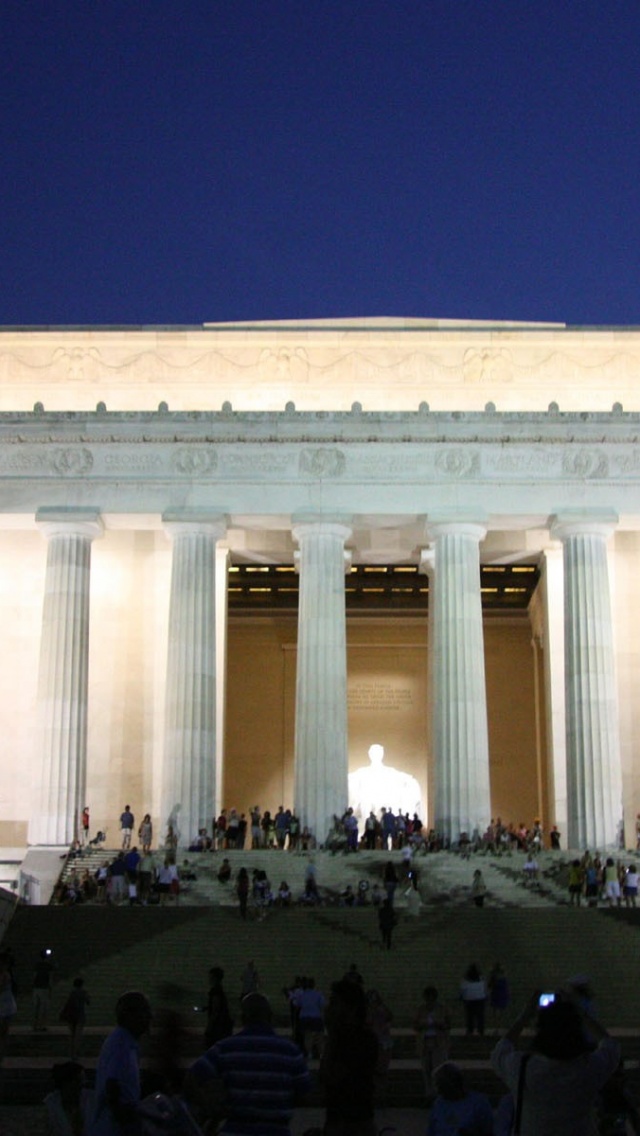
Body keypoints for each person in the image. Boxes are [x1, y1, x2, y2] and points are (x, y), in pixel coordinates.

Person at [491, 990, 620, 1136]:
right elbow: (610, 1046)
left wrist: (525, 1016)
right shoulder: (589, 1067)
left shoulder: (522, 1067)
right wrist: (582, 1014)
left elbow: (501, 1051)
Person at [185, 992, 309, 1136]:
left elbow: (191, 1079)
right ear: (270, 1016)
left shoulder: (225, 1048)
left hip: (235, 1128)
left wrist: (212, 1109)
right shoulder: (290, 1051)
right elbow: (303, 1093)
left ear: (243, 1018)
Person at [321, 978, 379, 1136]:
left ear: (350, 1008)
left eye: (334, 1002)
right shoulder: (348, 1038)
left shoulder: (360, 1041)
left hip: (351, 1126)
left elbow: (332, 1077)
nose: (328, 1008)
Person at [89, 990, 152, 1136]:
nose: (150, 1017)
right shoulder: (122, 1045)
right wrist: (126, 1122)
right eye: (145, 1011)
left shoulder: (123, 1042)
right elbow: (112, 1086)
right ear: (129, 1016)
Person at [427, 1061, 494, 1136]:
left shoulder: (479, 1103)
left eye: (442, 1086)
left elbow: (489, 1131)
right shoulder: (438, 1104)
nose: (438, 1091)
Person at [413, 985, 450, 1100]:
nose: (429, 1001)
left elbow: (448, 1025)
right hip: (424, 1042)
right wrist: (423, 1024)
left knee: (437, 1069)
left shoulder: (442, 1009)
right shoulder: (420, 1009)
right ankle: (429, 1094)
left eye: (431, 998)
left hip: (438, 1041)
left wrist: (437, 1023)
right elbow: (415, 1025)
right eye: (427, 998)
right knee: (426, 1069)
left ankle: (438, 1094)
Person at [44, 1060, 94, 1136]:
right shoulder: (51, 1106)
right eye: (78, 1081)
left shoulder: (90, 1100)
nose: (82, 1085)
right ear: (66, 1083)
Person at [59, 976, 90, 1059]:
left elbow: (67, 1003)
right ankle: (76, 1053)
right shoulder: (84, 992)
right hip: (80, 1015)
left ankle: (71, 1053)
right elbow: (88, 1001)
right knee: (78, 1036)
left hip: (71, 1015)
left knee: (72, 1035)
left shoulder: (72, 993)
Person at [204, 967, 233, 1049]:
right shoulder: (220, 991)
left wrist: (209, 1027)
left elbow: (215, 1010)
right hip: (222, 1026)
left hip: (218, 1027)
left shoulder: (216, 991)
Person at [460, 963, 486, 1037]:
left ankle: (470, 1030)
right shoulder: (481, 978)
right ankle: (481, 1030)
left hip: (469, 999)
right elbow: (484, 988)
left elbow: (462, 989)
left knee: (470, 1016)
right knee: (480, 1016)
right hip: (480, 998)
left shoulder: (465, 979)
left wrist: (462, 997)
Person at [33, 948, 54, 1032]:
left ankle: (35, 1024)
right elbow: (50, 978)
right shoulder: (49, 966)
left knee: (36, 1007)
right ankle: (42, 1025)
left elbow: (34, 976)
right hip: (44, 987)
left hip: (36, 987)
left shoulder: (37, 965)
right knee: (44, 1007)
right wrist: (50, 989)